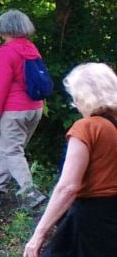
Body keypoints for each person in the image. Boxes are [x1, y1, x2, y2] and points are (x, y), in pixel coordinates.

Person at [23, 63, 117, 256]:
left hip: (91, 221)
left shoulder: (87, 128)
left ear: (83, 95)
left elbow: (68, 187)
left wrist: (38, 235)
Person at [0, 9, 47, 206]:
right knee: (11, 150)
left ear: (3, 28)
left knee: (12, 152)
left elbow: (1, 89)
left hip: (14, 111)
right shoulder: (31, 49)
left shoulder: (8, 52)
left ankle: (30, 193)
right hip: (35, 109)